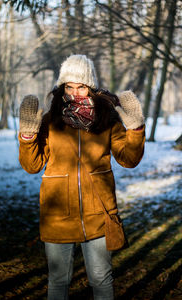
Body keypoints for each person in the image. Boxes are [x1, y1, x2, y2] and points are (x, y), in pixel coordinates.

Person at [18, 54, 145, 300]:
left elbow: (129, 159)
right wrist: (27, 137)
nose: (75, 92)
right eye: (69, 86)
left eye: (81, 86)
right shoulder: (50, 122)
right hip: (57, 214)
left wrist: (135, 131)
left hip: (98, 213)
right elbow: (32, 165)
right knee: (58, 280)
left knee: (101, 279)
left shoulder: (107, 119)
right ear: (61, 86)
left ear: (91, 87)